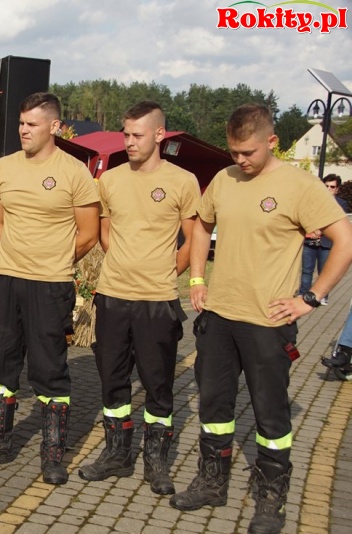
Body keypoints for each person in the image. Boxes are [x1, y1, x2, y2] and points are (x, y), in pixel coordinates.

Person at [169, 104, 352, 533]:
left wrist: (311, 298)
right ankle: (212, 481)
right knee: (214, 404)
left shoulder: (301, 186)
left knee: (271, 414)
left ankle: (271, 497)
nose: (241, 160)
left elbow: (344, 242)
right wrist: (197, 277)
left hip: (268, 323)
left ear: (272, 141)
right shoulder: (224, 179)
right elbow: (201, 226)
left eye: (248, 152)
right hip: (218, 317)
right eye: (234, 152)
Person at [0, 92, 100, 485]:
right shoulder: (5, 167)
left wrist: (53, 260)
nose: (23, 130)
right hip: (6, 280)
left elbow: (89, 233)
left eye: (32, 124)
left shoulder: (74, 172)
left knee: (49, 369)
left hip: (51, 285)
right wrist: (16, 251)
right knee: (1, 364)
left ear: (54, 126)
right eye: (21, 123)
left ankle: (53, 452)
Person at [77, 101, 200, 495]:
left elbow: (194, 238)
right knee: (113, 380)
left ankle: (156, 461)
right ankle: (117, 453)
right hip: (112, 297)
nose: (129, 142)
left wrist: (165, 272)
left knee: (157, 383)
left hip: (157, 301)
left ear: (159, 135)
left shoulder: (183, 181)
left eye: (137, 135)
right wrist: (124, 264)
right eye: (125, 134)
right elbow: (106, 232)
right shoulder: (110, 180)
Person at [298, 173, 349, 302]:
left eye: (332, 187)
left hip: (326, 243)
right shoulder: (314, 201)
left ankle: (321, 296)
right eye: (326, 186)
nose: (328, 189)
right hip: (310, 242)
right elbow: (306, 217)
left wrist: (320, 230)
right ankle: (303, 294)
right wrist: (312, 229)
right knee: (307, 271)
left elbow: (337, 223)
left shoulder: (341, 204)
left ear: (337, 189)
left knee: (324, 270)